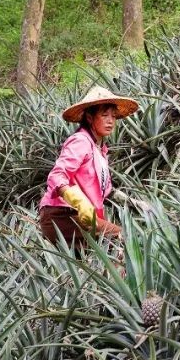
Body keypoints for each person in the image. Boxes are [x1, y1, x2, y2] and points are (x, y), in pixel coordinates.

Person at [39, 85, 138, 250]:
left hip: (82, 217)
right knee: (123, 240)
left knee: (97, 261)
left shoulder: (100, 149)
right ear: (90, 118)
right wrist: (79, 201)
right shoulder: (81, 141)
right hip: (62, 215)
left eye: (113, 116)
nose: (110, 121)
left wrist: (133, 203)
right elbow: (57, 176)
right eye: (104, 115)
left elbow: (106, 191)